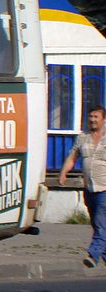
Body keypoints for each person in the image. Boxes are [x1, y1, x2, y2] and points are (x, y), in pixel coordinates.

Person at [60, 105, 106, 268]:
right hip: (89, 189)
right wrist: (64, 172)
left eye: (96, 117)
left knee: (101, 223)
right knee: (97, 225)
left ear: (104, 119)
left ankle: (93, 255)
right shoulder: (82, 137)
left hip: (105, 189)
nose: (92, 120)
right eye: (91, 117)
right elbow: (72, 156)